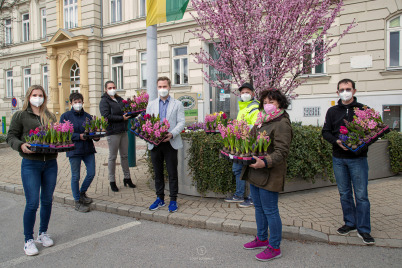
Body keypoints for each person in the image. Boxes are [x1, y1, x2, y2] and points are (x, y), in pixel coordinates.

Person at [241, 90, 292, 262]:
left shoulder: (282, 123)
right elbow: (255, 142)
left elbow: (282, 152)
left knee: (270, 210)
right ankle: (262, 238)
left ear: (280, 103)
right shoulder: (262, 119)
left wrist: (266, 161)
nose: (268, 103)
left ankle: (275, 246)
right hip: (256, 171)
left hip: (270, 172)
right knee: (259, 208)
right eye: (265, 101)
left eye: (272, 101)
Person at [322, 78, 375, 245]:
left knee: (361, 195)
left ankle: (364, 229)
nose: (345, 92)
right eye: (342, 89)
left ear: (354, 91)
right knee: (344, 194)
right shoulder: (332, 111)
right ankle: (350, 223)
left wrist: (359, 145)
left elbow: (372, 133)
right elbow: (326, 132)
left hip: (358, 159)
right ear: (337, 92)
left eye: (348, 88)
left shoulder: (363, 110)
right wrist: (337, 141)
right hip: (339, 158)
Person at [6, 85, 58, 256]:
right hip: (31, 164)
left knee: (47, 200)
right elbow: (11, 136)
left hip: (50, 163)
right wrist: (20, 145)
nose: (38, 98)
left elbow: (56, 137)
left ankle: (42, 233)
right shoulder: (20, 116)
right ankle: (28, 239)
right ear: (29, 97)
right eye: (35, 95)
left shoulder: (49, 116)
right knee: (32, 203)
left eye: (40, 95)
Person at [146, 76, 185, 213]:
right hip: (155, 143)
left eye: (165, 86)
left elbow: (181, 122)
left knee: (172, 172)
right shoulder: (151, 104)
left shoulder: (177, 104)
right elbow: (147, 123)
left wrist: (172, 134)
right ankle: (160, 198)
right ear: (157, 88)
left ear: (169, 87)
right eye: (160, 87)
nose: (162, 89)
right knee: (158, 173)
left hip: (170, 142)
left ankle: (173, 200)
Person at [60, 92, 99, 213]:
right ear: (71, 103)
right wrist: (79, 136)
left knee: (91, 173)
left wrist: (96, 134)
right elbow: (64, 133)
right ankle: (77, 201)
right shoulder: (65, 116)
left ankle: (82, 192)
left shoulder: (88, 116)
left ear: (83, 102)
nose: (78, 104)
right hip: (74, 150)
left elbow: (93, 133)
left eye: (80, 102)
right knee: (75, 176)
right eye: (75, 102)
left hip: (88, 149)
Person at [224, 83, 259, 208]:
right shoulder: (243, 107)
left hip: (250, 145)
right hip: (240, 144)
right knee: (237, 169)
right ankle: (239, 195)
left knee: (251, 171)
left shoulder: (255, 107)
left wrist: (242, 129)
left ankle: (252, 198)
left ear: (253, 93)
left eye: (247, 92)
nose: (245, 94)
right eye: (243, 92)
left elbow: (255, 127)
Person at [99, 81, 136, 192]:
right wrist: (121, 118)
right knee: (113, 157)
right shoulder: (104, 101)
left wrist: (136, 112)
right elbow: (106, 116)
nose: (112, 89)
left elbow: (127, 111)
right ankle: (112, 181)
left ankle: (127, 178)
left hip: (123, 131)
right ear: (106, 89)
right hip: (113, 132)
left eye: (114, 87)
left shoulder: (120, 100)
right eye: (110, 87)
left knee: (124, 156)